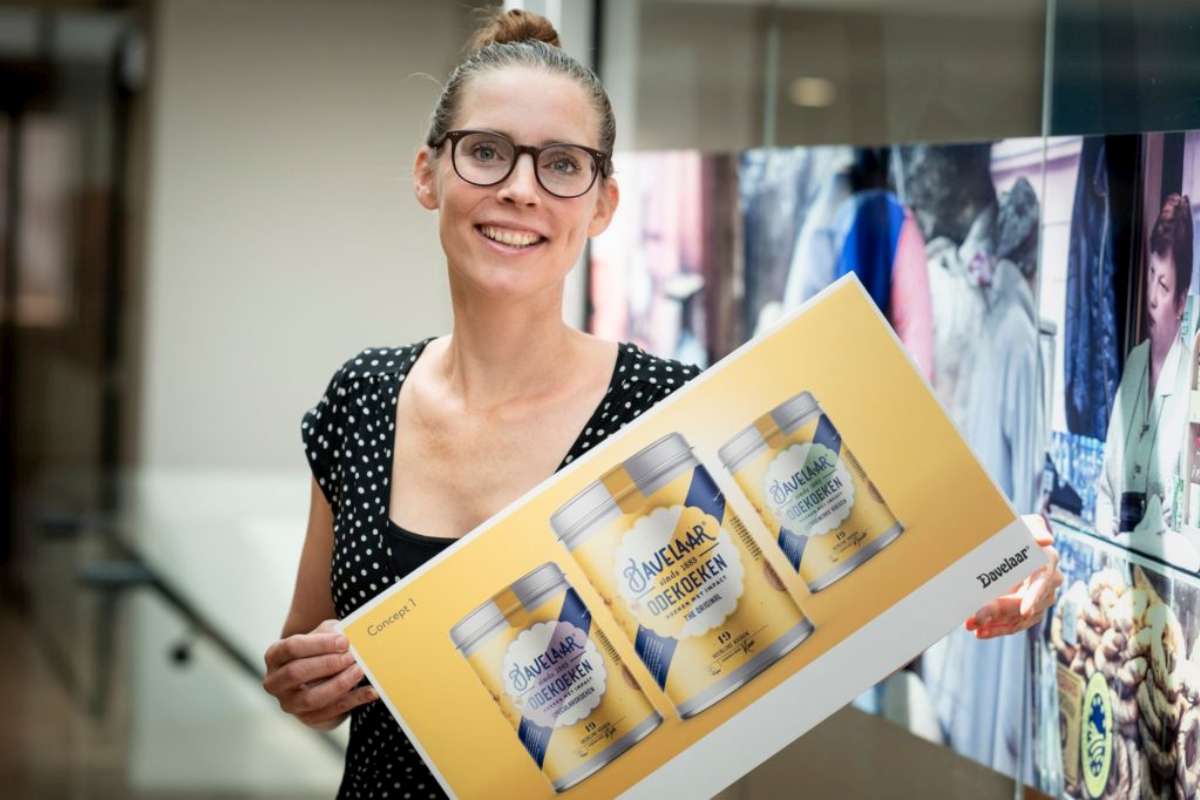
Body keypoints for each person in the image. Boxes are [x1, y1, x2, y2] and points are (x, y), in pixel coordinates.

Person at [260, 10, 1062, 798]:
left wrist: (1004, 557)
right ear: (427, 173)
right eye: (486, 153)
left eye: (562, 165)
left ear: (602, 205)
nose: (519, 190)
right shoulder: (363, 399)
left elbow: (832, 593)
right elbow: (307, 653)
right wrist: (304, 685)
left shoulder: (671, 412)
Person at [1095, 193, 1198, 569]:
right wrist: (1108, 553)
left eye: (1164, 286)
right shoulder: (1135, 361)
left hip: (1166, 585)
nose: (1151, 298)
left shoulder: (1193, 379)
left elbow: (1191, 530)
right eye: (1150, 277)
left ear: (1182, 302)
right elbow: (1105, 488)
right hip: (1116, 576)